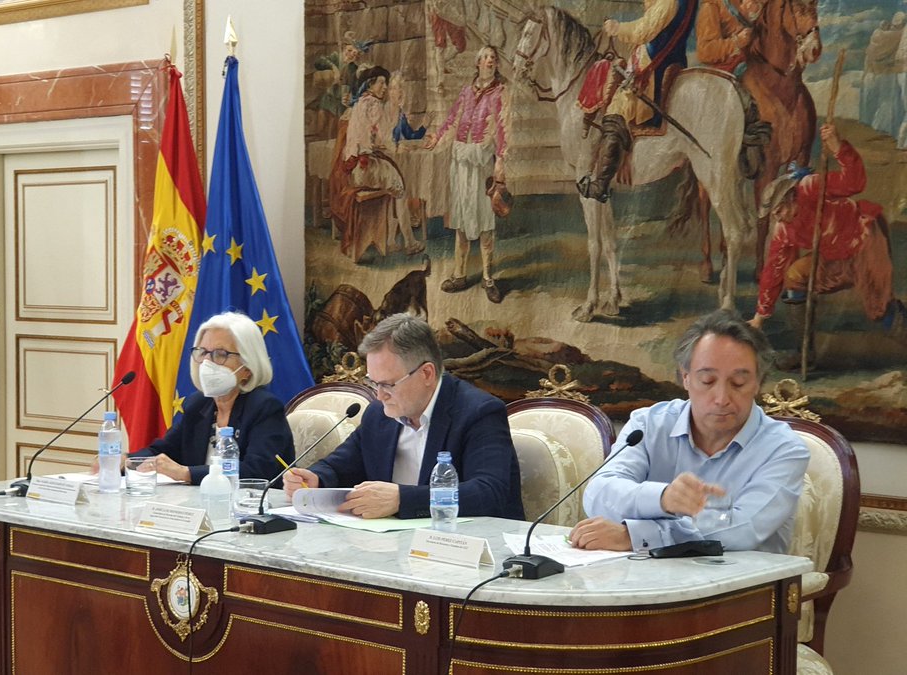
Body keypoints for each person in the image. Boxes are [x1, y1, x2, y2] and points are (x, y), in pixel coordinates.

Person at [572, 309, 809, 554]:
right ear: (685, 378)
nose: (721, 398)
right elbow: (598, 493)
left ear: (758, 382)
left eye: (738, 383)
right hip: (645, 581)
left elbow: (743, 530)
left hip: (739, 585)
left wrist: (636, 537)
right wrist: (663, 498)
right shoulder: (649, 425)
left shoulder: (783, 449)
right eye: (707, 381)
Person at [283, 313, 523, 520]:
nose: (379, 395)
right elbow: (342, 465)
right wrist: (316, 479)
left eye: (387, 384)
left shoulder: (478, 412)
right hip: (390, 546)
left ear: (426, 373)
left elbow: (489, 492)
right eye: (373, 383)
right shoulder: (380, 414)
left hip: (465, 551)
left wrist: (402, 499)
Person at [748, 125, 905, 353]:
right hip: (833, 259)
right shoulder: (784, 228)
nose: (778, 218)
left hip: (864, 242)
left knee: (879, 308)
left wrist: (837, 146)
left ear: (792, 198)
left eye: (779, 210)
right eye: (774, 215)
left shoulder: (811, 187)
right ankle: (805, 351)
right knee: (794, 276)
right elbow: (773, 269)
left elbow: (855, 182)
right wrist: (759, 317)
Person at [132, 312, 293, 485]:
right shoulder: (198, 404)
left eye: (220, 354)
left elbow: (257, 470)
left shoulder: (265, 407)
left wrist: (185, 473)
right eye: (202, 352)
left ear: (247, 367)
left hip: (251, 506)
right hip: (201, 503)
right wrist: (126, 460)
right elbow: (163, 451)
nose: (207, 362)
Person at [577, 0, 697, 202]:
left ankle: (601, 184)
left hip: (653, 68)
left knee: (617, 109)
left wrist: (617, 28)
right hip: (664, 59)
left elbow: (644, 30)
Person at [424, 45, 509, 303]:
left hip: (482, 161)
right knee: (461, 219)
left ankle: (487, 278)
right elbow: (452, 119)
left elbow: (505, 127)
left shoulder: (501, 93)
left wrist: (501, 159)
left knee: (485, 223)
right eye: (485, 58)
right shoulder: (465, 92)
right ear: (477, 64)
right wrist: (436, 137)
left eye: (493, 59)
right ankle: (459, 274)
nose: (490, 62)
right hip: (461, 161)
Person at [342, 66, 425, 256]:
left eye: (387, 84)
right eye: (382, 83)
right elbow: (384, 139)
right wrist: (395, 147)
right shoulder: (375, 105)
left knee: (393, 183)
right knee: (401, 190)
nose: (385, 88)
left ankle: (390, 240)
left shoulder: (359, 104)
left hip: (355, 170)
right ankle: (410, 242)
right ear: (371, 84)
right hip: (367, 168)